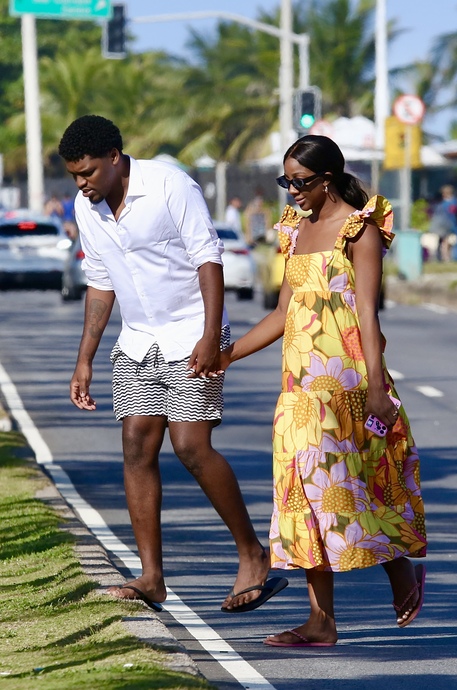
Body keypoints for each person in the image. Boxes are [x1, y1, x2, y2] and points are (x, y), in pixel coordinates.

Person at [58, 115, 287, 613]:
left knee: (190, 445)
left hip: (191, 331)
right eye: (76, 175)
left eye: (90, 172)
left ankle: (253, 555)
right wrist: (85, 360)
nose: (82, 183)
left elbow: (209, 257)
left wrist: (210, 335)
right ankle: (152, 577)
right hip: (139, 339)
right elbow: (100, 281)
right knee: (136, 444)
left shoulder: (169, 185)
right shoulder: (87, 205)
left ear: (115, 158)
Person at [219, 135, 427, 646]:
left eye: (302, 182)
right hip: (297, 388)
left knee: (355, 487)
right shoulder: (293, 230)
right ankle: (321, 621)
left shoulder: (361, 230)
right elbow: (281, 313)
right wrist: (225, 356)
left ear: (328, 179)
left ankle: (399, 568)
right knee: (301, 495)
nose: (292, 192)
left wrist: (377, 388)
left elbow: (367, 312)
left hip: (349, 384)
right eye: (286, 181)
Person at [430, 185, 457, 261]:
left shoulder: (446, 202)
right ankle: (444, 256)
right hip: (445, 223)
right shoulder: (452, 201)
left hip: (444, 223)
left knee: (444, 240)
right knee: (444, 240)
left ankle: (443, 256)